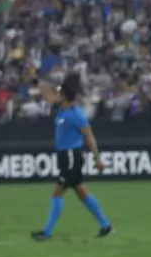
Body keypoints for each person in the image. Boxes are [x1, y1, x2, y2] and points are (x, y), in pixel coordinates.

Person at [30, 72, 112, 241]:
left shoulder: (76, 114)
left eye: (60, 93)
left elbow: (89, 136)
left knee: (57, 193)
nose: (57, 95)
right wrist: (36, 81)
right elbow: (48, 94)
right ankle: (106, 225)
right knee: (82, 193)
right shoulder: (62, 107)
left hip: (72, 158)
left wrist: (97, 158)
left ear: (65, 95)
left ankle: (47, 232)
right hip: (65, 157)